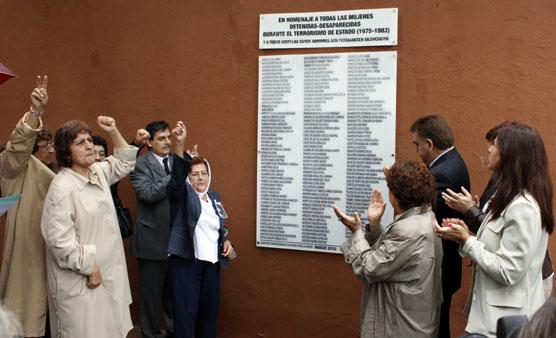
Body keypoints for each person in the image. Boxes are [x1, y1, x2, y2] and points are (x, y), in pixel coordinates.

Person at [434, 122, 552, 337]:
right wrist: (465, 235)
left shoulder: (522, 207)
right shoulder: (505, 198)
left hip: (505, 323)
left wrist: (467, 241)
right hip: (491, 318)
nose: (489, 149)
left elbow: (509, 271)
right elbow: (495, 247)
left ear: (511, 155)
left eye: (495, 145)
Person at [40, 116, 138, 338]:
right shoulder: (62, 188)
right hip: (83, 283)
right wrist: (90, 267)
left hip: (108, 279)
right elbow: (59, 242)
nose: (89, 146)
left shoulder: (99, 172)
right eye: (80, 142)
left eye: (89, 140)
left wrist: (114, 130)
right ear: (66, 153)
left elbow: (125, 162)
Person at [333, 160, 442, 338]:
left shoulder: (408, 230)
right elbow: (393, 258)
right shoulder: (425, 217)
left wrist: (356, 232)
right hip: (411, 322)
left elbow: (369, 268)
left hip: (398, 326)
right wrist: (375, 226)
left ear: (396, 195)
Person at [0, 76, 56, 337]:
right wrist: (36, 112)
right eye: (47, 146)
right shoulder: (14, 171)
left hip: (55, 260)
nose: (53, 151)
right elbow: (18, 147)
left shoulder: (56, 174)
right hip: (28, 259)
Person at [167, 121, 234, 338]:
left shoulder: (214, 198)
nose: (200, 177)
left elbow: (218, 226)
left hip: (211, 266)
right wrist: (180, 145)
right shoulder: (184, 196)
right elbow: (177, 179)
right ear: (189, 177)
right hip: (187, 264)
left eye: (203, 173)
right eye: (194, 174)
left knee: (208, 318)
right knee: (186, 320)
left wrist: (226, 239)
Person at [410, 114, 471, 338]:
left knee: (435, 328)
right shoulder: (453, 160)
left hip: (440, 267)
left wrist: (396, 187)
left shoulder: (441, 174)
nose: (417, 151)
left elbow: (418, 215)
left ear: (429, 144)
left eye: (417, 145)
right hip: (448, 265)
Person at [130, 120, 175, 338]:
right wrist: (173, 177)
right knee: (151, 297)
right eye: (161, 138)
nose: (167, 142)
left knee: (174, 296)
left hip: (176, 243)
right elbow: (147, 194)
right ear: (149, 142)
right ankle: (151, 335)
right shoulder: (140, 164)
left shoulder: (178, 161)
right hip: (151, 242)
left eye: (169, 137)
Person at [92, 129, 149, 238]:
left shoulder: (110, 174)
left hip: (111, 228)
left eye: (101, 154)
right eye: (94, 153)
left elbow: (125, 160)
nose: (97, 158)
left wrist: (136, 144)